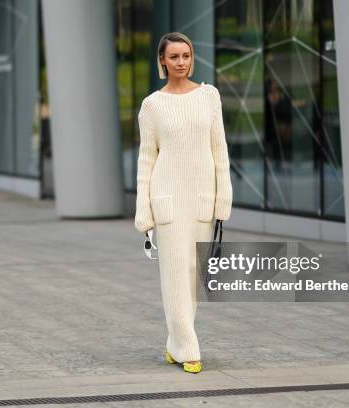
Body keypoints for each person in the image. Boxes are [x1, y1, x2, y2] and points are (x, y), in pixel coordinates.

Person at [134, 32, 233, 374]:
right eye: (174, 56)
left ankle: (174, 341)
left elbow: (219, 151)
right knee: (175, 274)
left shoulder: (209, 96)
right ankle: (188, 348)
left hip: (202, 199)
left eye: (186, 56)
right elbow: (146, 161)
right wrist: (143, 213)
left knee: (192, 277)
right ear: (162, 60)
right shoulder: (152, 105)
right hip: (169, 201)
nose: (181, 62)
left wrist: (223, 203)